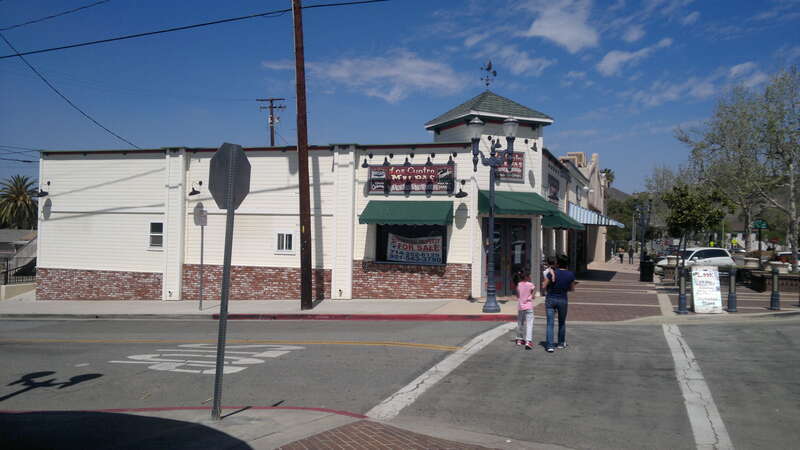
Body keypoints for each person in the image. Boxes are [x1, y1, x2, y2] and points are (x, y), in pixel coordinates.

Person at [543, 256, 577, 353]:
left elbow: (544, 285)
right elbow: (572, 289)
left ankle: (550, 346)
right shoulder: (570, 274)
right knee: (562, 322)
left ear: (557, 263)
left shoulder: (553, 273)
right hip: (563, 299)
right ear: (567, 264)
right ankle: (561, 343)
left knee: (550, 323)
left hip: (551, 298)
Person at [514, 271, 535, 350]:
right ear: (527, 276)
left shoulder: (518, 285)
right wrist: (530, 296)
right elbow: (533, 296)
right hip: (529, 306)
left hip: (521, 306)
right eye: (529, 275)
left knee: (520, 323)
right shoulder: (531, 285)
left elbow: (517, 295)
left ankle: (519, 339)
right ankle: (528, 341)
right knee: (529, 323)